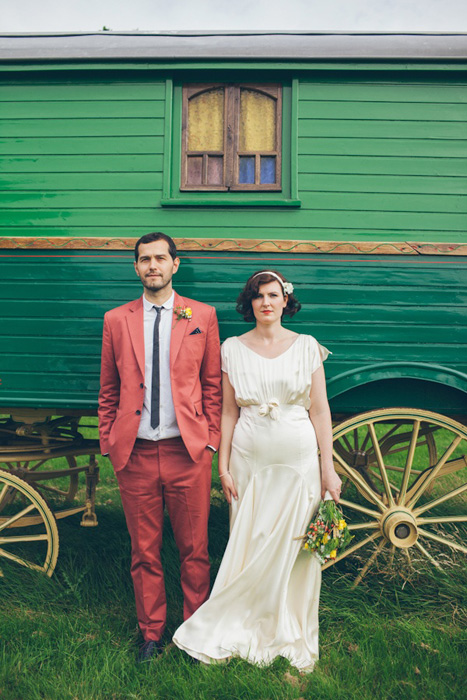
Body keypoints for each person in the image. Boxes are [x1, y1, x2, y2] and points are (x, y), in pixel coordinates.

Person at [173, 269, 341, 672]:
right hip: (249, 459)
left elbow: (319, 410)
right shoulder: (232, 348)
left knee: (294, 546)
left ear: (286, 301)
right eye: (258, 296)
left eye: (273, 295)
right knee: (251, 541)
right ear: (249, 304)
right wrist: (224, 464)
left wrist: (328, 468)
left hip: (298, 461)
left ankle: (287, 626)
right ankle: (236, 622)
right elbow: (228, 410)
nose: (266, 302)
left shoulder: (307, 347)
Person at [98, 232, 222, 662]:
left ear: (175, 264)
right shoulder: (116, 319)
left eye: (160, 258)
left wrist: (210, 442)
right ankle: (151, 634)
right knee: (144, 551)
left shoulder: (201, 315)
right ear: (136, 267)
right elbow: (108, 389)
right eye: (144, 259)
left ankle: (195, 632)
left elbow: (212, 385)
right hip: (134, 456)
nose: (153, 266)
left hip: (186, 452)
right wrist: (109, 442)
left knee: (195, 550)